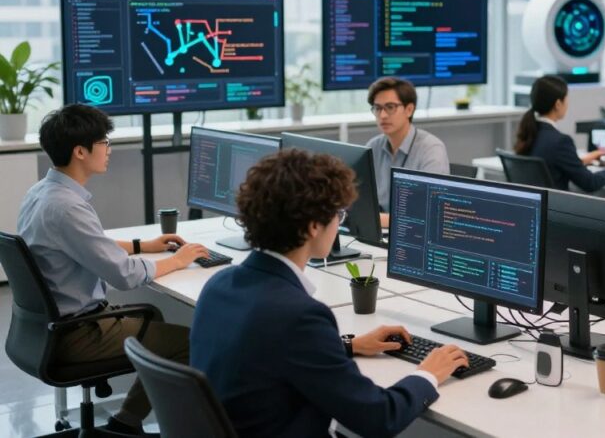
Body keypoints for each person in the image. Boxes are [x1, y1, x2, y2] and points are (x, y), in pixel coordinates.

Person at [190, 149, 469, 438]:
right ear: (313, 227)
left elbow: (269, 350)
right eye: (337, 214)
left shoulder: (219, 285)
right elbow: (378, 418)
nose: (339, 224)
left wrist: (348, 345)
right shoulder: (299, 316)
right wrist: (428, 374)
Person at [17, 104, 210, 436]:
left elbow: (86, 245)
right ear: (80, 151)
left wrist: (141, 245)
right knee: (193, 343)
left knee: (155, 323)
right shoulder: (67, 208)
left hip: (42, 331)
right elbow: (123, 275)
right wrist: (178, 260)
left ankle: (127, 420)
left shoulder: (43, 193)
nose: (109, 149)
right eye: (104, 142)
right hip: (77, 334)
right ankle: (134, 424)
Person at [514, 75, 605, 191]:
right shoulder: (560, 141)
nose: (567, 103)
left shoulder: (530, 132)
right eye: (566, 99)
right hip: (555, 206)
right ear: (558, 104)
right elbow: (590, 183)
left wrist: (581, 161)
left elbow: (550, 162)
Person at [366, 77, 449, 226]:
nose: (382, 115)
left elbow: (430, 213)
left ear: (409, 109)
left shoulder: (431, 150)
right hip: (380, 232)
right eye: (377, 108)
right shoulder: (373, 147)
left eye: (390, 107)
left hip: (414, 234)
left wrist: (378, 219)